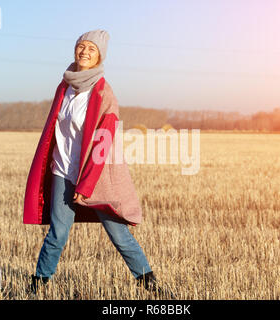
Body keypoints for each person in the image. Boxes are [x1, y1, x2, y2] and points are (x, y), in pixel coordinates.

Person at [23, 29, 174, 298]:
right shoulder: (64, 86)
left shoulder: (104, 92)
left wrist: (87, 182)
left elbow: (103, 143)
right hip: (62, 169)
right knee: (57, 233)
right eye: (81, 46)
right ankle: (37, 286)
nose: (84, 52)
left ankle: (152, 286)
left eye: (91, 49)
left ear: (100, 56)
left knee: (118, 234)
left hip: (96, 176)